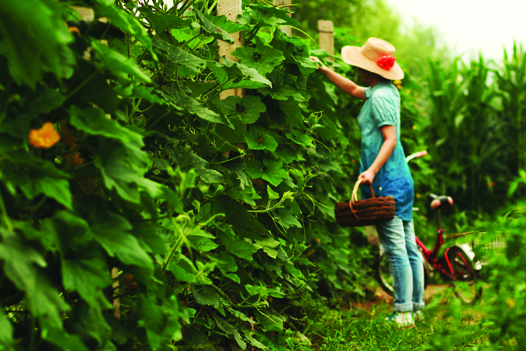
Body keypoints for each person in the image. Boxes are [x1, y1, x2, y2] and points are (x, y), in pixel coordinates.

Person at [311, 37, 424, 327]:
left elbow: (391, 139)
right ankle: (416, 306)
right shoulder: (383, 90)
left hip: (387, 181)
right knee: (409, 247)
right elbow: (351, 89)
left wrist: (372, 171)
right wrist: (325, 70)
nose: (356, 69)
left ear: (369, 69)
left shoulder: (381, 97)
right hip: (401, 178)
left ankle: (403, 313)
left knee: (396, 249)